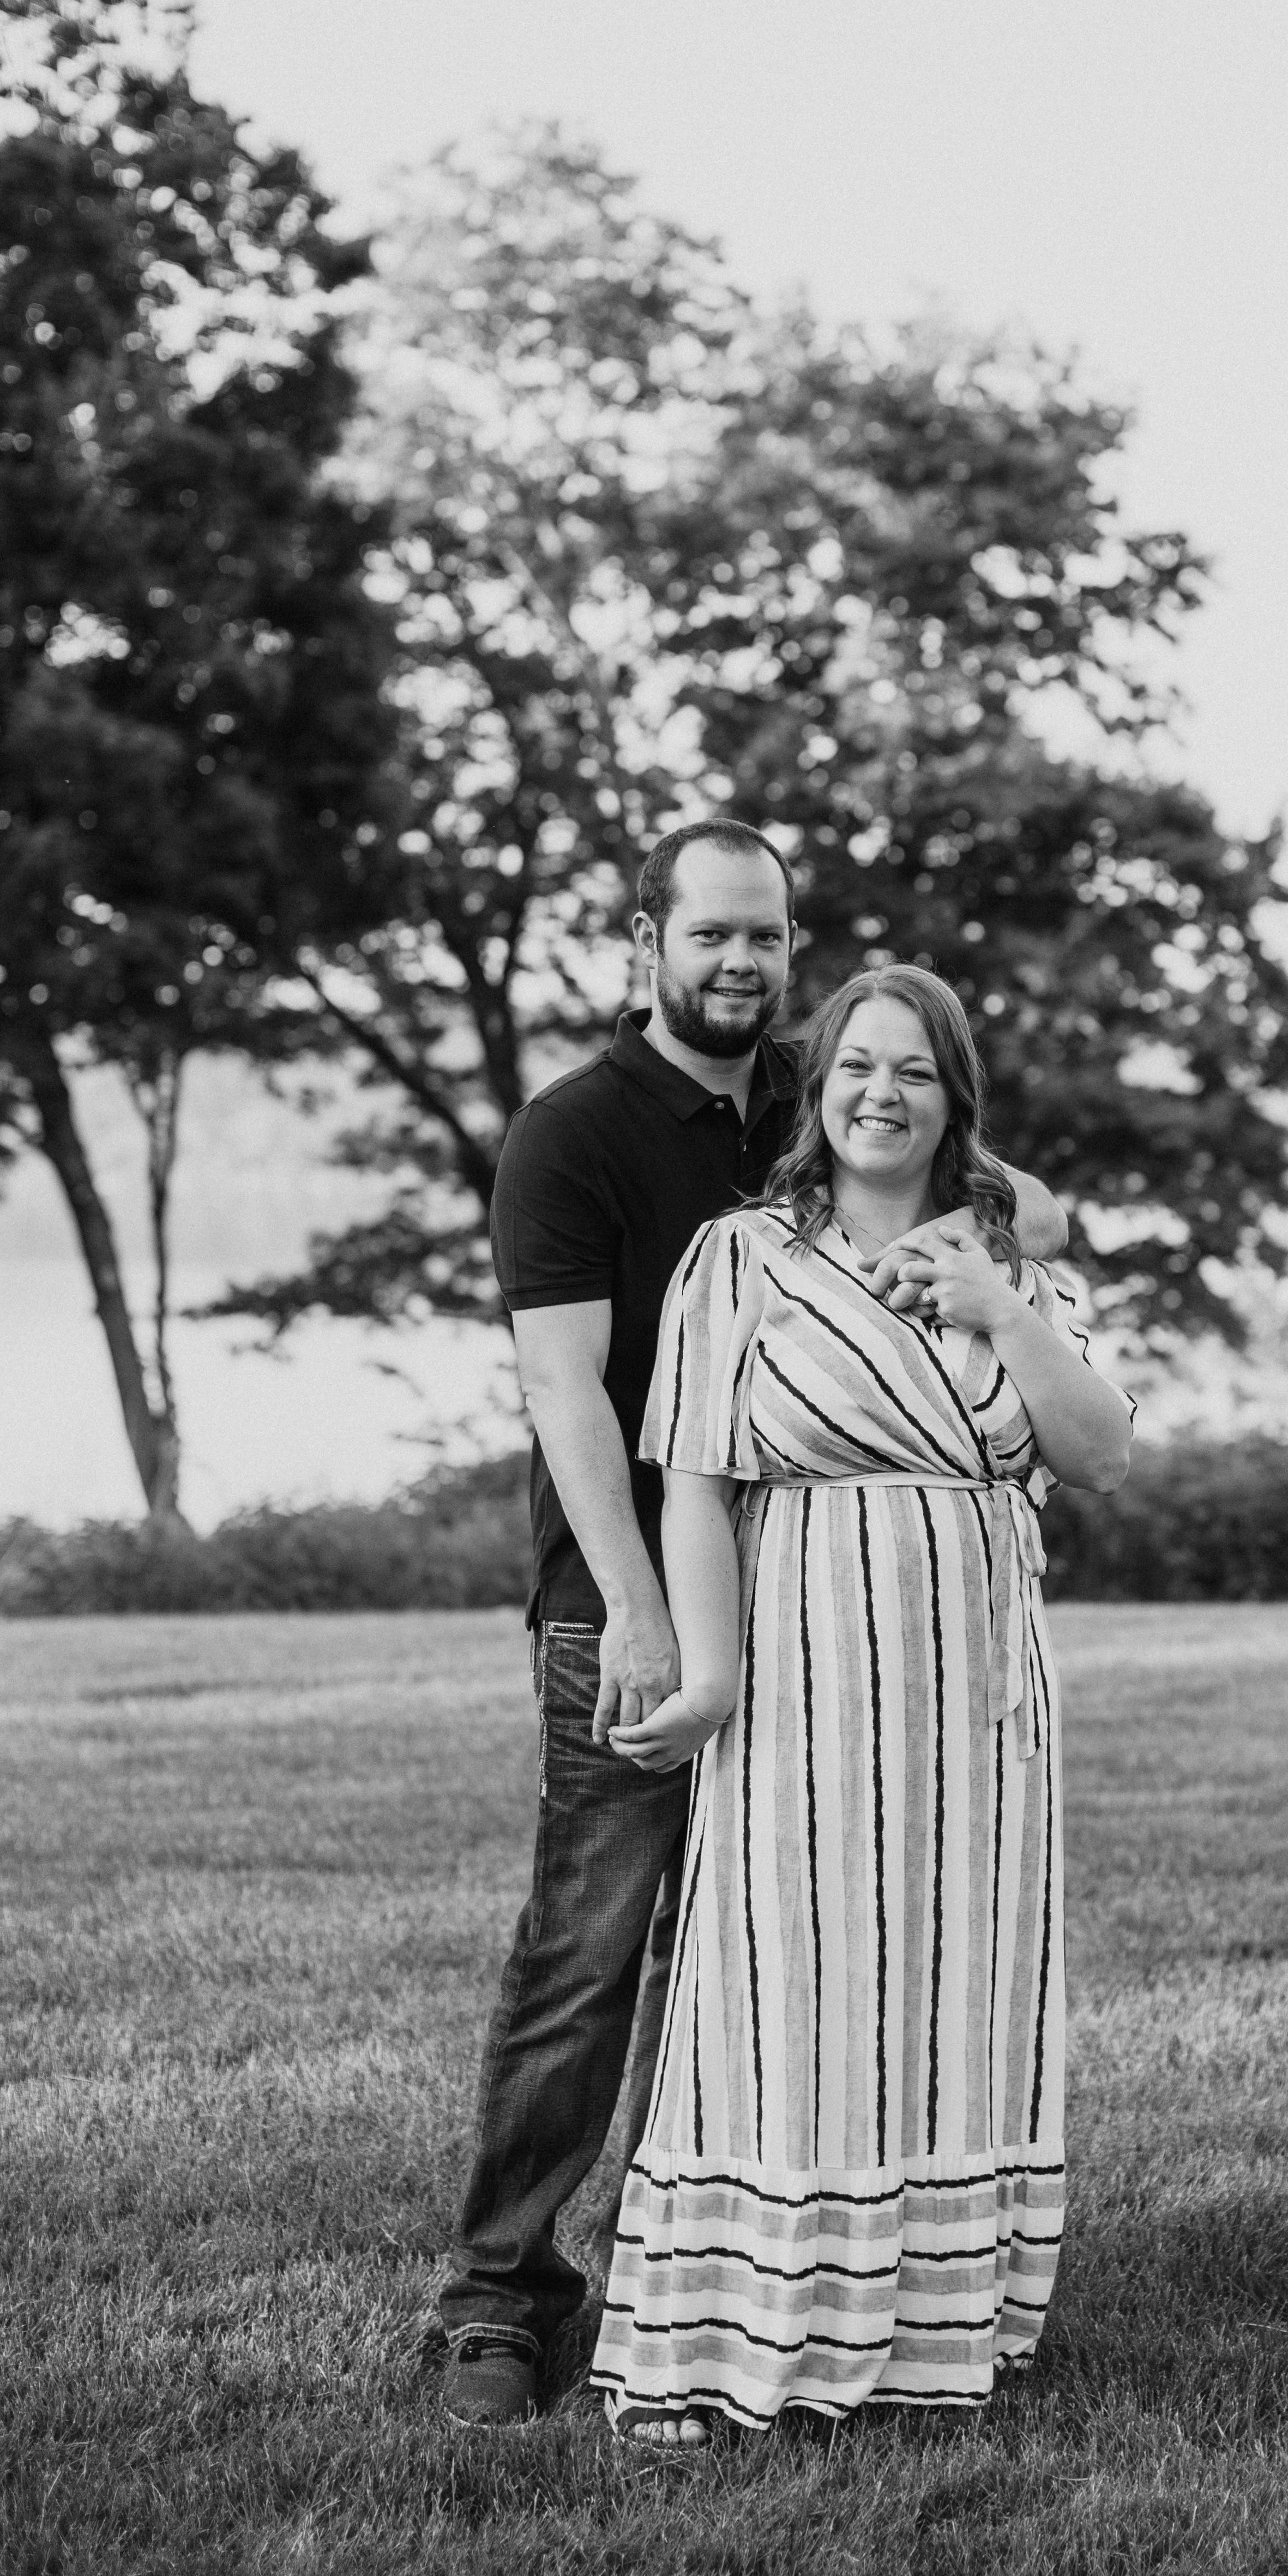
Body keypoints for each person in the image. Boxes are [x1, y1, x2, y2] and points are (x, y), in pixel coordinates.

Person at [436, 823, 1067, 2430]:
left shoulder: (818, 1090)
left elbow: (1030, 1212)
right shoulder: (572, 1132)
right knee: (591, 1951)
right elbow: (568, 1396)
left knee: (754, 1963)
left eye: (768, 937)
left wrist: (990, 1257)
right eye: (711, 932)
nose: (741, 962)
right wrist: (643, 1623)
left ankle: (709, 2269)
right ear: (647, 939)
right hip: (625, 1601)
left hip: (813, 1620)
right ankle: (499, 2300)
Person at [587, 963, 1134, 2446]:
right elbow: (697, 1483)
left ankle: (929, 2329)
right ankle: (744, 2325)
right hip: (807, 1670)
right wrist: (709, 1677)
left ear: (956, 1099)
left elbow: (1099, 1454)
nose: (880, 1094)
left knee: (953, 1988)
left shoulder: (1011, 1266)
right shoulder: (741, 1258)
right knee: (790, 1987)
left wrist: (1000, 1308)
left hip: (979, 1696)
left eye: (914, 1071)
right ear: (817, 1090)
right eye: (854, 1068)